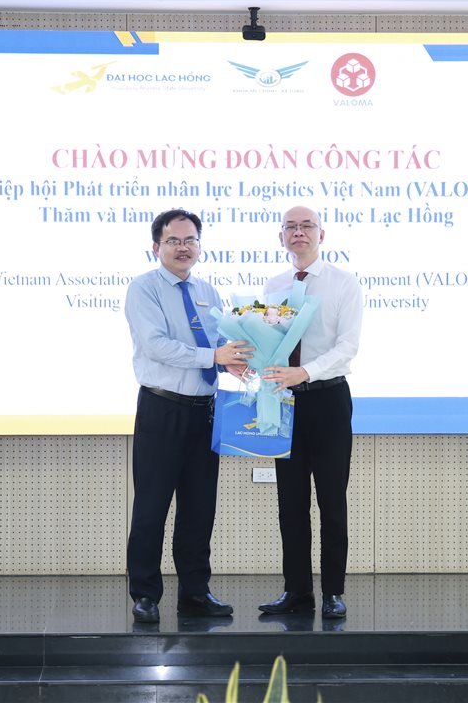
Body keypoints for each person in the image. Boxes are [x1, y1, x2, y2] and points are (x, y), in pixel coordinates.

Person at [123, 208, 252, 624]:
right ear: (156, 246)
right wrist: (214, 356)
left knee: (199, 508)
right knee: (151, 507)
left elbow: (220, 344)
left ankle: (196, 592)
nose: (183, 248)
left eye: (190, 240)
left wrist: (242, 358)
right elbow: (156, 345)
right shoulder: (144, 289)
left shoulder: (207, 291)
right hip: (162, 409)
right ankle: (145, 594)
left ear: (199, 245)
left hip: (205, 412)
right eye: (174, 241)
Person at [257, 204, 363, 620]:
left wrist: (305, 371)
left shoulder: (343, 283)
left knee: (332, 501)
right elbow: (270, 342)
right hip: (285, 402)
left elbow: (347, 347)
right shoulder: (275, 285)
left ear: (322, 234)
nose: (298, 232)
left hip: (328, 400)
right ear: (281, 237)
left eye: (307, 226)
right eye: (291, 227)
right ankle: (296, 591)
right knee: (290, 503)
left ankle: (333, 591)